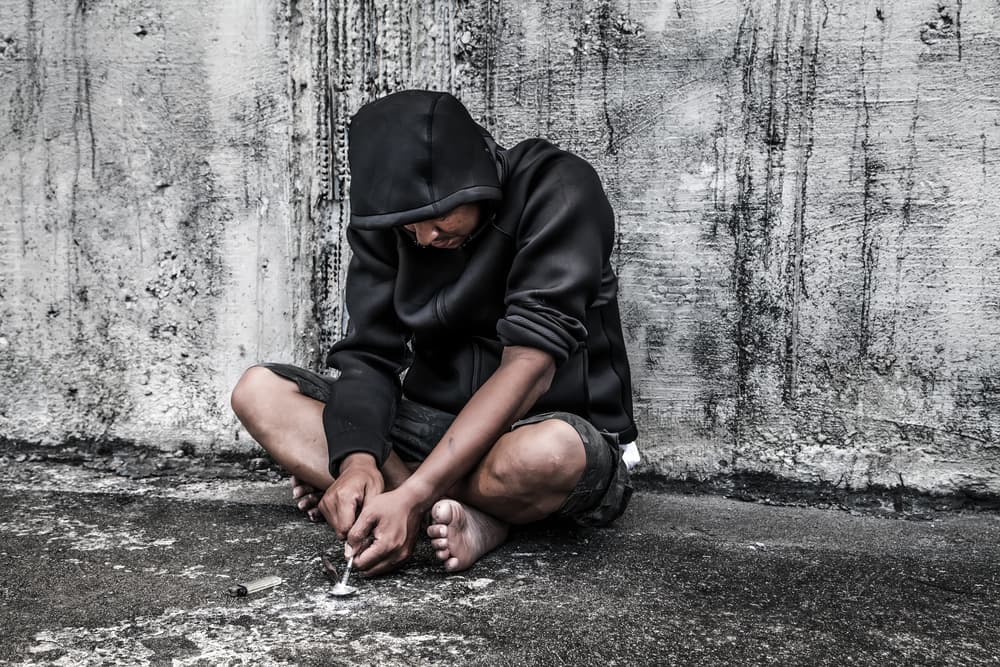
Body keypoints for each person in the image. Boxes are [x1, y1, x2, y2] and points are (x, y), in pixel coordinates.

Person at [231, 90, 638, 576]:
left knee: (550, 455)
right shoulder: (390, 225)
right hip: (429, 429)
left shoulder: (560, 187)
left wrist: (413, 493)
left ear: (476, 177)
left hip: (542, 427)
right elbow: (369, 357)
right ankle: (449, 506)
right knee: (259, 392)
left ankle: (436, 508)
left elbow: (532, 366)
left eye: (436, 216)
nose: (425, 238)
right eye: (409, 228)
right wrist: (357, 460)